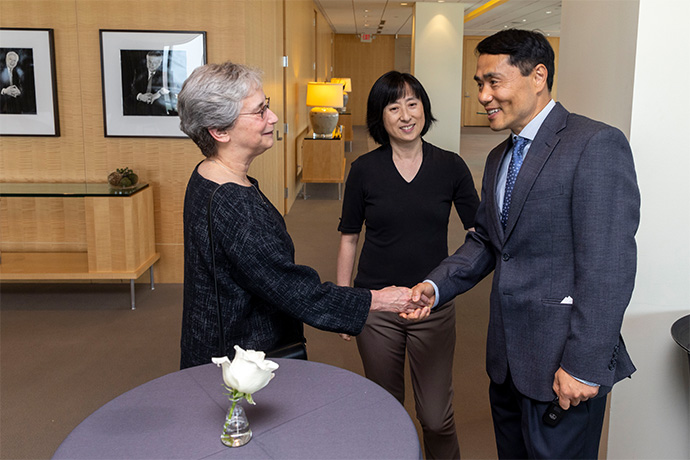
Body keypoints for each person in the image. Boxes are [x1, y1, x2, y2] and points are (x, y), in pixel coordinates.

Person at [411, 29, 640, 459]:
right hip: (508, 363)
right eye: (479, 84)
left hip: (563, 368)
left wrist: (583, 365)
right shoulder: (500, 156)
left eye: (493, 81)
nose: (483, 95)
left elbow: (608, 266)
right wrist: (436, 285)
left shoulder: (594, 144)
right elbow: (487, 240)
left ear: (538, 76)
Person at [177, 62, 429, 369]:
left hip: (220, 347)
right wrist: (381, 300)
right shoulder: (234, 205)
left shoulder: (206, 176)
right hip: (237, 365)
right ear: (219, 131)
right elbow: (295, 291)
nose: (273, 117)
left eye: (267, 106)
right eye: (259, 112)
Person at [336, 71, 479, 460]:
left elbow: (479, 234)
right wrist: (344, 302)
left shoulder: (451, 166)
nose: (405, 114)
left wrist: (446, 283)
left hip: (431, 304)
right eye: (393, 106)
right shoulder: (364, 170)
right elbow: (350, 236)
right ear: (379, 118)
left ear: (424, 109)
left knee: (436, 418)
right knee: (385, 408)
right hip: (377, 305)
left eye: (412, 103)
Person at [129, 50, 174, 116]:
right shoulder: (139, 71)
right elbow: (133, 88)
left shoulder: (166, 74)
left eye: (155, 62)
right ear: (146, 60)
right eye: (149, 62)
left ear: (160, 62)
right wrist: (140, 96)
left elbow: (171, 88)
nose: (152, 65)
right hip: (140, 109)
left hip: (158, 110)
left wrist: (158, 94)